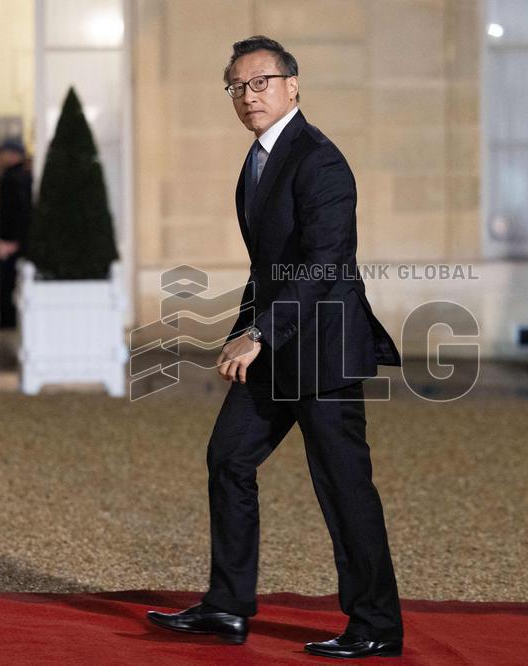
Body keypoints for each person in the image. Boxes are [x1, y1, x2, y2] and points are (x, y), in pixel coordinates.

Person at [146, 36, 405, 659]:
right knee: (228, 459)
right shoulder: (257, 159)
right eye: (237, 86)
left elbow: (323, 265)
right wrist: (245, 331)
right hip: (276, 352)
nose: (248, 95)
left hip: (324, 352)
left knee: (344, 488)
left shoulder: (320, 160)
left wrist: (260, 332)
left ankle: (377, 625)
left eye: (260, 82)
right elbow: (268, 269)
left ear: (293, 85)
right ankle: (228, 606)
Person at [0, 138, 33, 329]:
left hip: (11, 240)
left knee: (7, 282)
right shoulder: (24, 176)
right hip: (20, 239)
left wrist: (10, 240)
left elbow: (14, 213)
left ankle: (7, 321)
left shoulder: (11, 179)